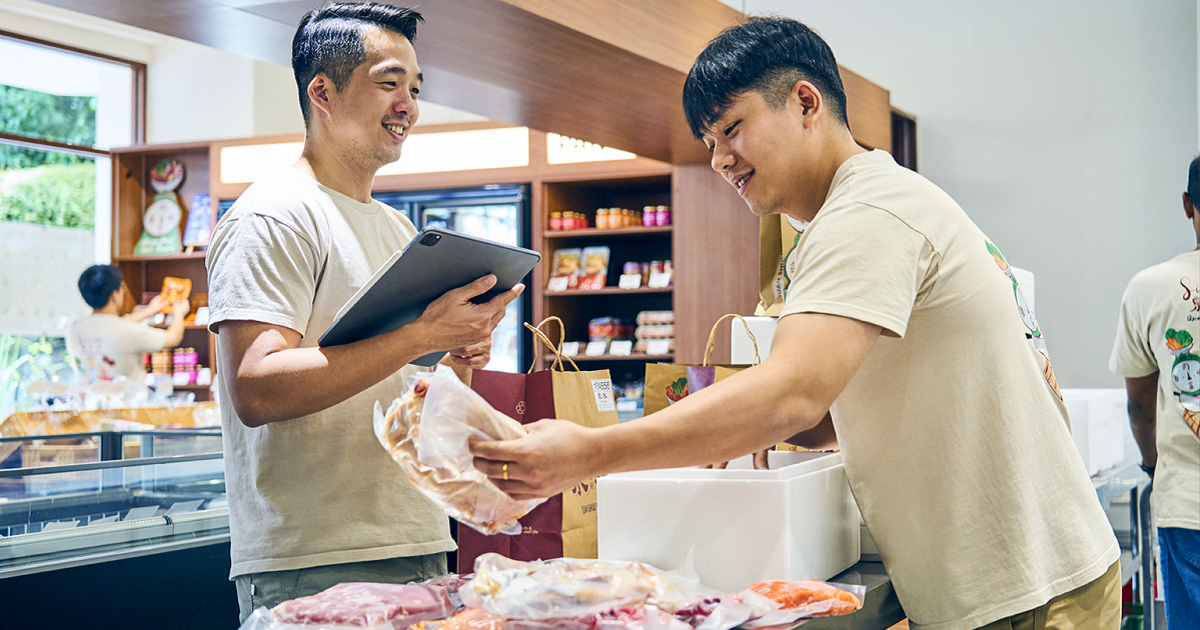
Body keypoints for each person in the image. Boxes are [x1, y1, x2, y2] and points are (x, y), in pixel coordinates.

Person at [472, 17, 1120, 630]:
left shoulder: (866, 213)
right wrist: (726, 433)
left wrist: (590, 452)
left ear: (805, 103)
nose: (720, 159)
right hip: (1019, 579)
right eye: (708, 144)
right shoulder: (867, 204)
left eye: (732, 128)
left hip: (1026, 592)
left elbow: (792, 393)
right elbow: (835, 404)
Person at [204, 3, 522, 621]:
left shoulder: (397, 228)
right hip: (315, 557)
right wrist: (420, 334)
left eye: (415, 87)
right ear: (322, 91)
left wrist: (459, 353)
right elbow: (255, 389)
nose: (408, 104)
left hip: (421, 539)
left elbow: (415, 395)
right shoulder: (273, 215)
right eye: (388, 83)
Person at [1109, 155, 1200, 629]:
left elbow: (1139, 403)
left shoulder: (1151, 287)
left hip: (1188, 502)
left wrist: (1151, 462)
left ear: (1187, 205)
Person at [67, 264, 189, 384]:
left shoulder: (74, 329)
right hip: (127, 402)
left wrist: (148, 311)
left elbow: (112, 326)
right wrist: (179, 312)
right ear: (114, 295)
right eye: (122, 288)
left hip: (88, 402)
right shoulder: (129, 331)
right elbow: (173, 338)